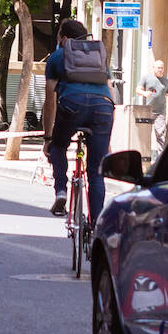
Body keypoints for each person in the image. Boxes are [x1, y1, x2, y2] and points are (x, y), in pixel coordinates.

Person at [43, 18, 114, 222]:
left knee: (58, 146)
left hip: (72, 106)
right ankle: (95, 224)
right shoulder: (99, 57)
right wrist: (106, 139)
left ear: (63, 38)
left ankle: (61, 192)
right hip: (103, 109)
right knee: (96, 170)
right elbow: (109, 92)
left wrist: (49, 137)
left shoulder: (57, 56)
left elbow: (50, 100)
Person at [135, 60, 168, 154]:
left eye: (162, 68)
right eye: (158, 67)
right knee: (145, 136)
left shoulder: (166, 81)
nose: (160, 70)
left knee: (161, 135)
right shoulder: (146, 78)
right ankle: (144, 157)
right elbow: (138, 90)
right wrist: (145, 93)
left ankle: (161, 159)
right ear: (153, 68)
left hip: (160, 112)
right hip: (147, 111)